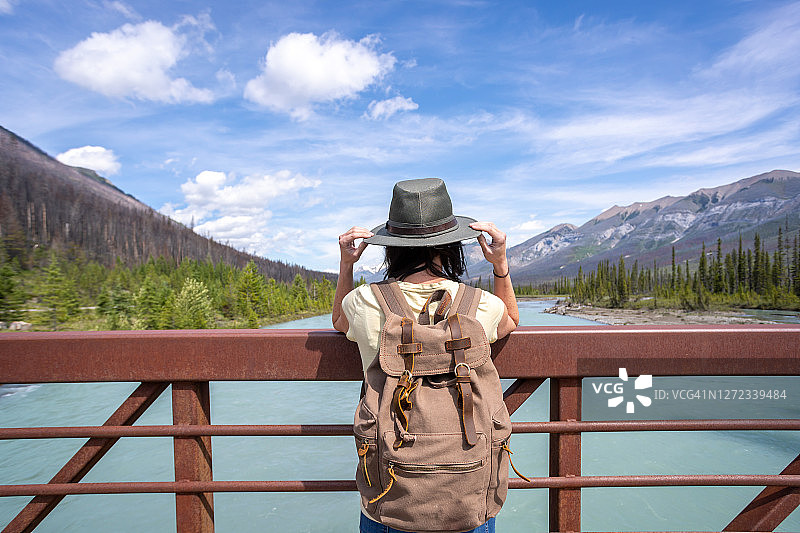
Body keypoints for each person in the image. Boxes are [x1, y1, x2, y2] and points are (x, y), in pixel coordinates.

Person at [332, 178, 519, 533]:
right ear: (450, 245)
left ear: (391, 246)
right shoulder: (482, 305)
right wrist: (500, 264)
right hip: (469, 495)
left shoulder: (365, 301)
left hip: (390, 496)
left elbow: (339, 321)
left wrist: (346, 264)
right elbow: (511, 319)